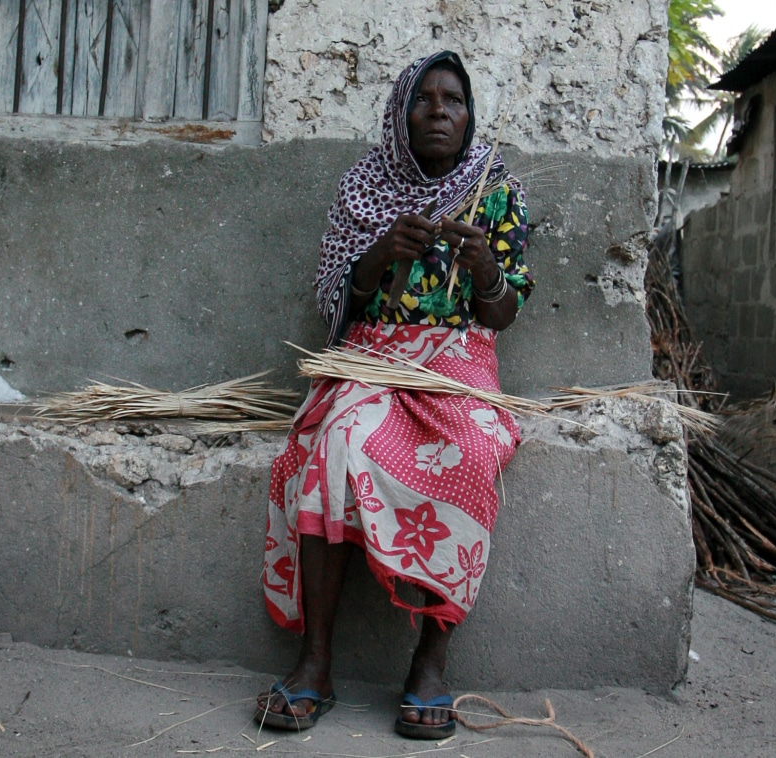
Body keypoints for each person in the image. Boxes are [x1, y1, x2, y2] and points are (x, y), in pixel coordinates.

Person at [256, 50, 534, 740]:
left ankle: (430, 664)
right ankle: (315, 663)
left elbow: (503, 314)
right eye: (425, 100)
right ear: (400, 114)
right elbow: (334, 303)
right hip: (373, 359)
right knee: (334, 446)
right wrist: (379, 254)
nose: (439, 112)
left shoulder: (495, 194)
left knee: (473, 452)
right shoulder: (363, 190)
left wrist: (486, 270)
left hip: (456, 367)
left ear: (469, 118)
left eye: (454, 102)